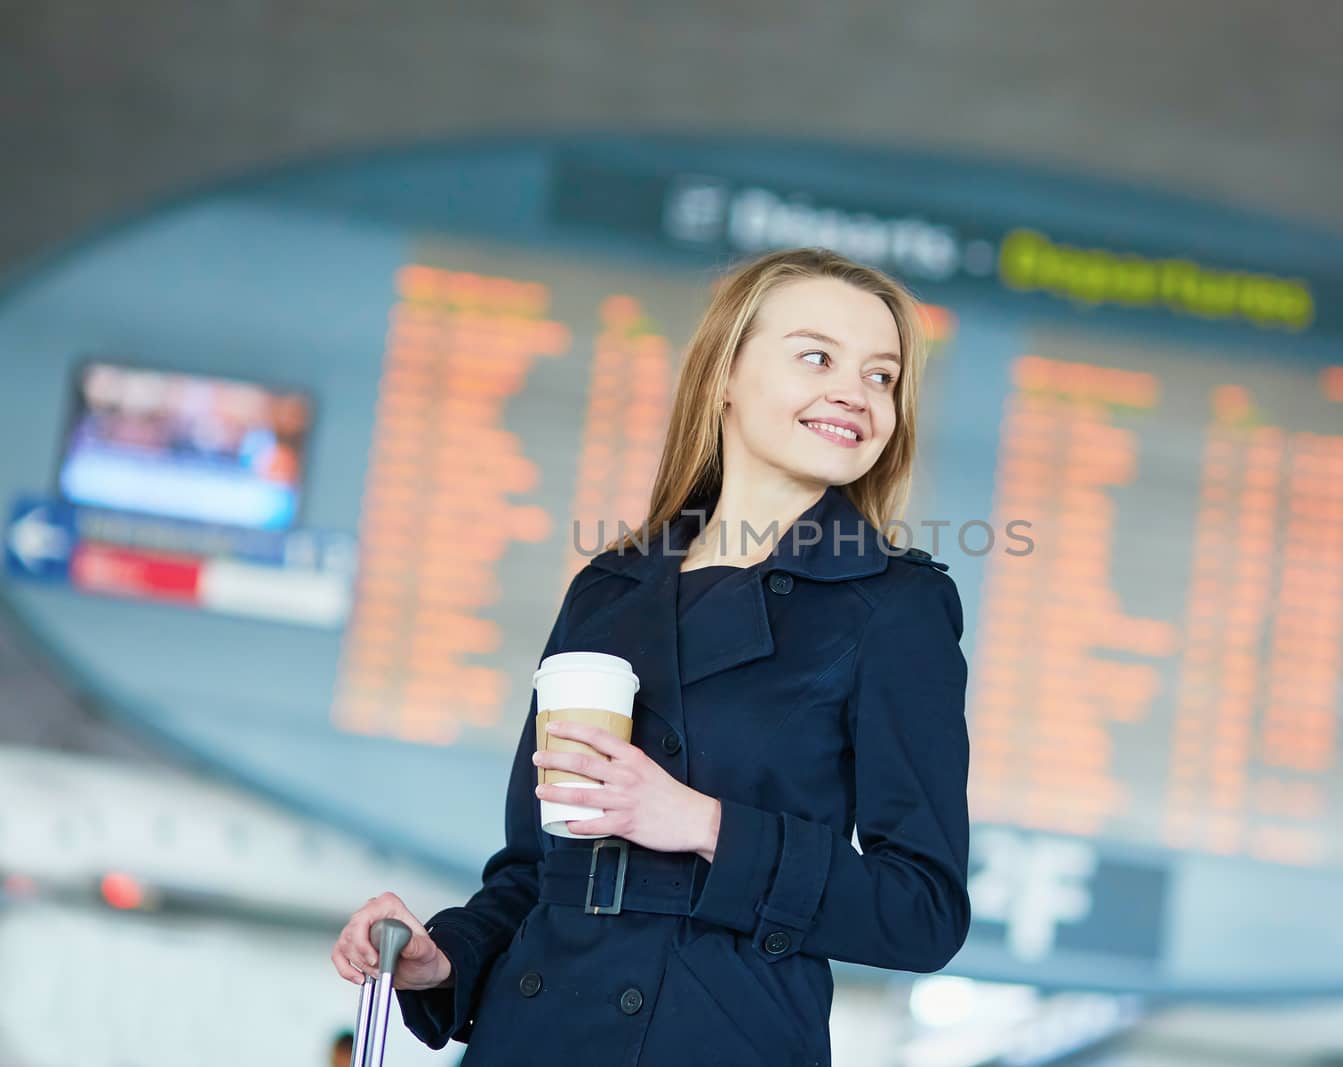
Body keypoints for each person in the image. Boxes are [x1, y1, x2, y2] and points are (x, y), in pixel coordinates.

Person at [331, 247, 972, 1067]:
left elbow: (921, 911)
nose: (856, 392)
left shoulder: (894, 604)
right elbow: (534, 869)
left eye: (883, 376)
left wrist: (703, 824)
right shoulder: (608, 589)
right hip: (531, 1036)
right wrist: (440, 956)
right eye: (817, 356)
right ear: (727, 375)